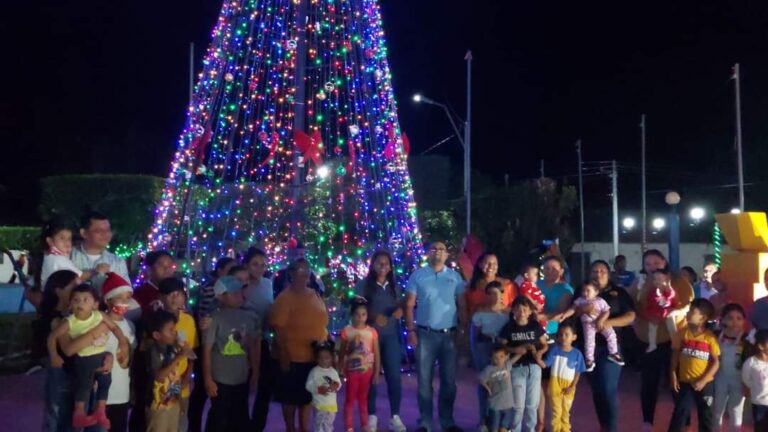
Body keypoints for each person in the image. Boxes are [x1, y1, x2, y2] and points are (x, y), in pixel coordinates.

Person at [628, 249, 693, 431]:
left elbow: (688, 303)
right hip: (649, 341)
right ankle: (647, 420)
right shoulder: (640, 282)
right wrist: (645, 315)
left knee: (676, 383)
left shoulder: (679, 281)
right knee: (649, 382)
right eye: (648, 264)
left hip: (674, 341)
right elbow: (631, 303)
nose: (652, 268)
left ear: (664, 262)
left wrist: (674, 311)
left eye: (656, 263)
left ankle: (683, 421)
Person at [404, 241, 466, 432]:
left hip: (449, 336)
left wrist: (462, 331)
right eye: (433, 249)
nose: (437, 252)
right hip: (425, 335)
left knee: (449, 381)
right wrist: (411, 330)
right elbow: (408, 305)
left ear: (447, 255)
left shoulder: (455, 277)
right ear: (427, 253)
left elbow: (462, 305)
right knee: (424, 381)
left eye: (441, 249)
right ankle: (425, 422)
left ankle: (447, 421)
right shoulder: (418, 275)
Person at [47, 284, 123, 429]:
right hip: (83, 360)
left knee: (105, 382)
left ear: (95, 304)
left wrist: (123, 343)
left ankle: (101, 411)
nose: (80, 303)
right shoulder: (68, 322)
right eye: (76, 300)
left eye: (85, 300)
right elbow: (55, 340)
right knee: (84, 387)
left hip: (100, 356)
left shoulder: (99, 316)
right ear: (70, 304)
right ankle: (79, 414)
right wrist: (54, 356)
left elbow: (114, 328)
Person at [270, 259, 329, 432]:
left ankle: (304, 429)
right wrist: (284, 354)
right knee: (290, 399)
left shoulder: (314, 294)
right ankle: (291, 428)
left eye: (307, 270)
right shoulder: (285, 298)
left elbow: (321, 321)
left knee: (307, 398)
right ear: (291, 274)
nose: (304, 274)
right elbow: (278, 328)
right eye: (300, 270)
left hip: (312, 356)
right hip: (292, 357)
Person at [580, 260, 636, 432]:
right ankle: (604, 426)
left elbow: (631, 315)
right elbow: (572, 311)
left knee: (607, 388)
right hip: (588, 348)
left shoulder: (618, 292)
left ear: (609, 273)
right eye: (595, 271)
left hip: (610, 347)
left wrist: (607, 322)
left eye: (602, 271)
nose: (598, 274)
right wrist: (582, 309)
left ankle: (612, 428)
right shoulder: (582, 291)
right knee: (597, 390)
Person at [355, 250, 406, 432]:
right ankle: (371, 416)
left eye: (386, 264)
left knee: (394, 376)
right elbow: (355, 309)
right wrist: (373, 317)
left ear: (391, 267)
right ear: (373, 265)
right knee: (370, 378)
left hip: (390, 337)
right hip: (369, 339)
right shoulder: (363, 286)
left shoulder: (394, 287)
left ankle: (395, 416)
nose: (383, 267)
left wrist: (399, 312)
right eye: (379, 263)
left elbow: (400, 305)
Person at [202, 275, 260, 432]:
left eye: (239, 292)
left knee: (240, 415)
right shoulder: (214, 318)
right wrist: (208, 378)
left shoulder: (248, 316)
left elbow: (252, 346)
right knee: (219, 416)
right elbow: (207, 349)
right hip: (221, 378)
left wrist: (255, 370)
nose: (238, 296)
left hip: (241, 376)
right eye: (233, 294)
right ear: (221, 296)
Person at [189, 256, 235, 432]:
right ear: (220, 271)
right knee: (202, 390)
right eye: (229, 271)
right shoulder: (211, 289)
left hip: (220, 346)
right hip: (209, 345)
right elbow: (208, 316)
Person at [668, 298, 720, 432]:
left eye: (693, 311)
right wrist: (673, 374)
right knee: (680, 412)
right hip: (685, 382)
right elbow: (675, 355)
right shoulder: (682, 333)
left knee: (706, 415)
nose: (689, 313)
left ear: (703, 318)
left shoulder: (710, 338)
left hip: (704, 384)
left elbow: (715, 362)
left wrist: (704, 380)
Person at [497, 296, 548, 432]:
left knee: (532, 404)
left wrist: (540, 353)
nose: (521, 312)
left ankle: (531, 429)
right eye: (518, 309)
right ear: (513, 310)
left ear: (530, 311)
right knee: (518, 405)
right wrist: (515, 350)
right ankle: (515, 429)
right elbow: (501, 346)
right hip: (516, 368)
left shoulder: (535, 326)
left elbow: (544, 344)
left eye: (525, 309)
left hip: (534, 368)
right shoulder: (509, 327)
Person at [39, 270, 80, 432]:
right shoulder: (55, 318)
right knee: (57, 412)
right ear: (58, 290)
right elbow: (67, 348)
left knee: (70, 414)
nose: (77, 290)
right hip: (60, 370)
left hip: (74, 370)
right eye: (73, 286)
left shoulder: (71, 315)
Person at [241, 248, 277, 432]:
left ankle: (257, 426)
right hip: (240, 341)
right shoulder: (240, 283)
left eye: (263, 265)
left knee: (264, 385)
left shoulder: (267, 283)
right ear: (246, 264)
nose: (259, 269)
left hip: (262, 339)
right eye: (255, 264)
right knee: (242, 387)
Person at [536, 256, 574, 432]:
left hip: (555, 338)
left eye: (554, 268)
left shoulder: (565, 289)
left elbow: (560, 312)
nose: (550, 271)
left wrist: (542, 316)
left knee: (556, 383)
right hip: (536, 337)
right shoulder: (536, 284)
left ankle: (557, 422)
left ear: (561, 270)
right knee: (539, 383)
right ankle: (540, 422)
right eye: (547, 268)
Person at [556, 281, 624, 371]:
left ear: (596, 292)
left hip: (601, 322)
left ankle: (613, 352)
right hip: (588, 324)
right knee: (589, 341)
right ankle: (589, 360)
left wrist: (601, 320)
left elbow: (607, 311)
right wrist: (564, 315)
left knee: (611, 335)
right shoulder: (580, 300)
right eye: (583, 291)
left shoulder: (600, 301)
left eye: (588, 291)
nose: (585, 293)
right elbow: (572, 309)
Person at [471, 280, 510, 430]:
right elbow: (475, 336)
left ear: (502, 294)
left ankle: (502, 422)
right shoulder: (480, 313)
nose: (494, 297)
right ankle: (483, 420)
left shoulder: (507, 313)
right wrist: (474, 353)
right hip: (484, 347)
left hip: (502, 350)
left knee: (502, 384)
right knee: (484, 383)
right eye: (490, 294)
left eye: (497, 293)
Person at [158, 277, 197, 432]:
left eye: (178, 293)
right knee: (160, 423)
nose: (175, 298)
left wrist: (188, 376)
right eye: (170, 294)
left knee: (179, 422)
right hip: (161, 383)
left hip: (181, 382)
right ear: (161, 297)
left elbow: (192, 350)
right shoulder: (155, 320)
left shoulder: (188, 320)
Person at [101, 273, 138, 432]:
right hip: (103, 392)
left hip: (122, 391)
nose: (124, 303)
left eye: (127, 299)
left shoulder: (130, 325)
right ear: (108, 301)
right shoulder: (100, 323)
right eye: (120, 298)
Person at [146, 310, 194, 432]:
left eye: (175, 329)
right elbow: (159, 377)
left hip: (173, 403)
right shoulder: (154, 351)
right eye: (170, 330)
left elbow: (174, 378)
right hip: (158, 406)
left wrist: (179, 400)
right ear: (157, 335)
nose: (175, 333)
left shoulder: (172, 348)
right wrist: (178, 357)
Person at [339, 298, 381, 432]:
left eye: (363, 314)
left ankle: (364, 424)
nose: (360, 318)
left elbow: (376, 353)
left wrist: (376, 372)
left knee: (363, 399)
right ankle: (349, 426)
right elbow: (342, 352)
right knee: (350, 398)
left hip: (366, 372)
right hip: (352, 372)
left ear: (367, 316)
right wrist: (340, 369)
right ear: (352, 315)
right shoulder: (347, 332)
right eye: (357, 314)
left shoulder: (372, 332)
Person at [543, 322, 586, 432]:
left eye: (567, 334)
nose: (563, 337)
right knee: (556, 412)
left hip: (569, 388)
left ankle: (566, 430)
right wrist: (537, 355)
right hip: (555, 386)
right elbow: (545, 364)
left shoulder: (577, 354)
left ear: (574, 337)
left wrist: (572, 386)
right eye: (561, 335)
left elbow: (578, 372)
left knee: (566, 412)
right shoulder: (554, 350)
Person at [70, 211, 130, 288]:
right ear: (84, 233)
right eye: (98, 231)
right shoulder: (69, 256)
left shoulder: (117, 262)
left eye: (107, 230)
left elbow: (126, 294)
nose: (105, 234)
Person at [713, 303, 747, 432]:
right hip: (719, 377)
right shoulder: (716, 335)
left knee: (736, 411)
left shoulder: (748, 338)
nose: (735, 322)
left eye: (739, 318)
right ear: (723, 320)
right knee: (717, 411)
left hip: (739, 380)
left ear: (744, 320)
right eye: (730, 318)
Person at [40, 220, 102, 288]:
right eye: (62, 238)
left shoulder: (49, 257)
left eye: (69, 239)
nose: (67, 242)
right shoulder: (58, 259)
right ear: (50, 241)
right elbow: (80, 277)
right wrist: (97, 270)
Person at [478, 344, 523, 432]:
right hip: (495, 405)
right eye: (495, 357)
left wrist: (522, 351)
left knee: (504, 428)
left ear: (506, 357)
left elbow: (516, 358)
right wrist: (488, 388)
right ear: (491, 358)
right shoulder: (489, 369)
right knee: (494, 428)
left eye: (501, 357)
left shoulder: (506, 366)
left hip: (508, 405)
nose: (499, 360)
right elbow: (481, 379)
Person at [305, 340, 342, 432]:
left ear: (331, 358)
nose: (324, 360)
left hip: (331, 405)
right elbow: (308, 386)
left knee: (328, 425)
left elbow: (338, 383)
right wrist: (318, 390)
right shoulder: (314, 371)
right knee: (319, 425)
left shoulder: (333, 372)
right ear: (316, 359)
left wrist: (336, 385)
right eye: (320, 358)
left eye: (326, 357)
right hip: (319, 405)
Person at [465, 252, 516, 318]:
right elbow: (468, 310)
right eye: (487, 263)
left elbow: (515, 308)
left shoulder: (508, 285)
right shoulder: (471, 287)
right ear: (480, 264)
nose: (491, 266)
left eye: (494, 264)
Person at [644, 270, 678, 353]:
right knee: (652, 328)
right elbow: (651, 301)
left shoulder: (668, 290)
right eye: (655, 279)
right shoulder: (653, 292)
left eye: (659, 279)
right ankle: (652, 345)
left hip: (666, 312)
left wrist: (668, 288)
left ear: (666, 280)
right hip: (655, 313)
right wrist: (657, 295)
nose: (657, 281)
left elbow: (671, 297)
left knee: (672, 326)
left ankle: (675, 342)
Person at [134, 251, 176, 315]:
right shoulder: (139, 294)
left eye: (170, 265)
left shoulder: (177, 291)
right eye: (161, 265)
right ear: (149, 270)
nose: (167, 269)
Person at [741, 329, 768, 431]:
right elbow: (746, 379)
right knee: (761, 427)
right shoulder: (751, 362)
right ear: (761, 346)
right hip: (760, 403)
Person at [518, 264, 546, 329]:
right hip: (533, 309)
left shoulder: (533, 285)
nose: (537, 276)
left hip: (540, 309)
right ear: (526, 275)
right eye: (535, 274)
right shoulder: (525, 285)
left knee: (543, 322)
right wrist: (534, 303)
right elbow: (525, 294)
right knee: (537, 323)